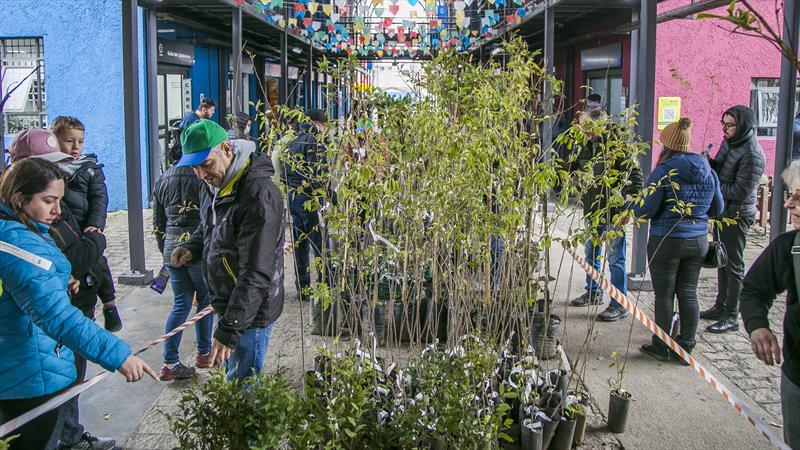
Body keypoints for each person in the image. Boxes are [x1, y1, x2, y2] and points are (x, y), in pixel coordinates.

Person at [0, 158, 155, 450]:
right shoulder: (21, 246)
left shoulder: (16, 232)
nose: (57, 211)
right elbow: (57, 316)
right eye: (48, 201)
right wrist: (118, 355)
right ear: (20, 199)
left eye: (58, 200)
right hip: (31, 376)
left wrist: (58, 278)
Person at [169, 119, 285, 382]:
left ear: (226, 149)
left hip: (250, 313)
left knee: (243, 390)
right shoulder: (213, 184)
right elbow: (212, 226)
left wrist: (230, 328)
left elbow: (256, 272)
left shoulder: (258, 196)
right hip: (230, 302)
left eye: (205, 165)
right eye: (194, 168)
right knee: (232, 381)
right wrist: (193, 247)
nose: (200, 174)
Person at [633, 118, 724, 362]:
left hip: (667, 239)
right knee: (688, 292)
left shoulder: (665, 171)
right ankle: (686, 346)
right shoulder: (708, 169)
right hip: (698, 240)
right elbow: (718, 208)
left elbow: (645, 209)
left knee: (664, 294)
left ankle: (662, 345)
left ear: (667, 144)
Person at [739, 159, 800, 449]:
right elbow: (753, 289)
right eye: (790, 194)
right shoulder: (788, 248)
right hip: (797, 378)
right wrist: (757, 326)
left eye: (799, 197)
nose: (789, 204)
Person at [568, 109, 643, 322]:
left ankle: (619, 304)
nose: (586, 132)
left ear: (601, 126)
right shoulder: (583, 144)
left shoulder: (618, 146)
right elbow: (573, 169)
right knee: (591, 252)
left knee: (615, 258)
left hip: (613, 212)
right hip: (592, 210)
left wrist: (628, 209)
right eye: (584, 128)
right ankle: (593, 292)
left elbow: (636, 177)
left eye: (589, 129)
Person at [49, 116, 122, 333]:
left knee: (97, 261)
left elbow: (99, 199)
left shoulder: (89, 168)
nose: (75, 147)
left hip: (86, 229)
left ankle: (109, 303)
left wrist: (95, 224)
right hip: (64, 232)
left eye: (80, 141)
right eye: (69, 141)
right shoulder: (50, 170)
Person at [701, 105, 766, 333]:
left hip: (737, 215)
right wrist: (709, 162)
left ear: (742, 126)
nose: (725, 129)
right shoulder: (730, 143)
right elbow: (720, 168)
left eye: (730, 125)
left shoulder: (752, 153)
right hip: (723, 212)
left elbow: (741, 191)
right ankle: (721, 305)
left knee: (734, 265)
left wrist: (715, 184)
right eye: (724, 124)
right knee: (721, 259)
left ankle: (732, 315)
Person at [152, 145, 214, 381]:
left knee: (181, 304)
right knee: (206, 302)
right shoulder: (201, 177)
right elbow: (208, 218)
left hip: (172, 248)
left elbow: (158, 223)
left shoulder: (162, 179)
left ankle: (170, 362)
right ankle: (203, 353)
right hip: (197, 249)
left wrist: (165, 253)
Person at [283, 109, 329, 303]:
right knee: (319, 243)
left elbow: (285, 171)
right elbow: (315, 175)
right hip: (310, 199)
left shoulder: (292, 140)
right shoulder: (314, 141)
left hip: (293, 196)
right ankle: (325, 284)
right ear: (318, 123)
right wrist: (328, 195)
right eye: (325, 126)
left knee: (299, 243)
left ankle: (303, 288)